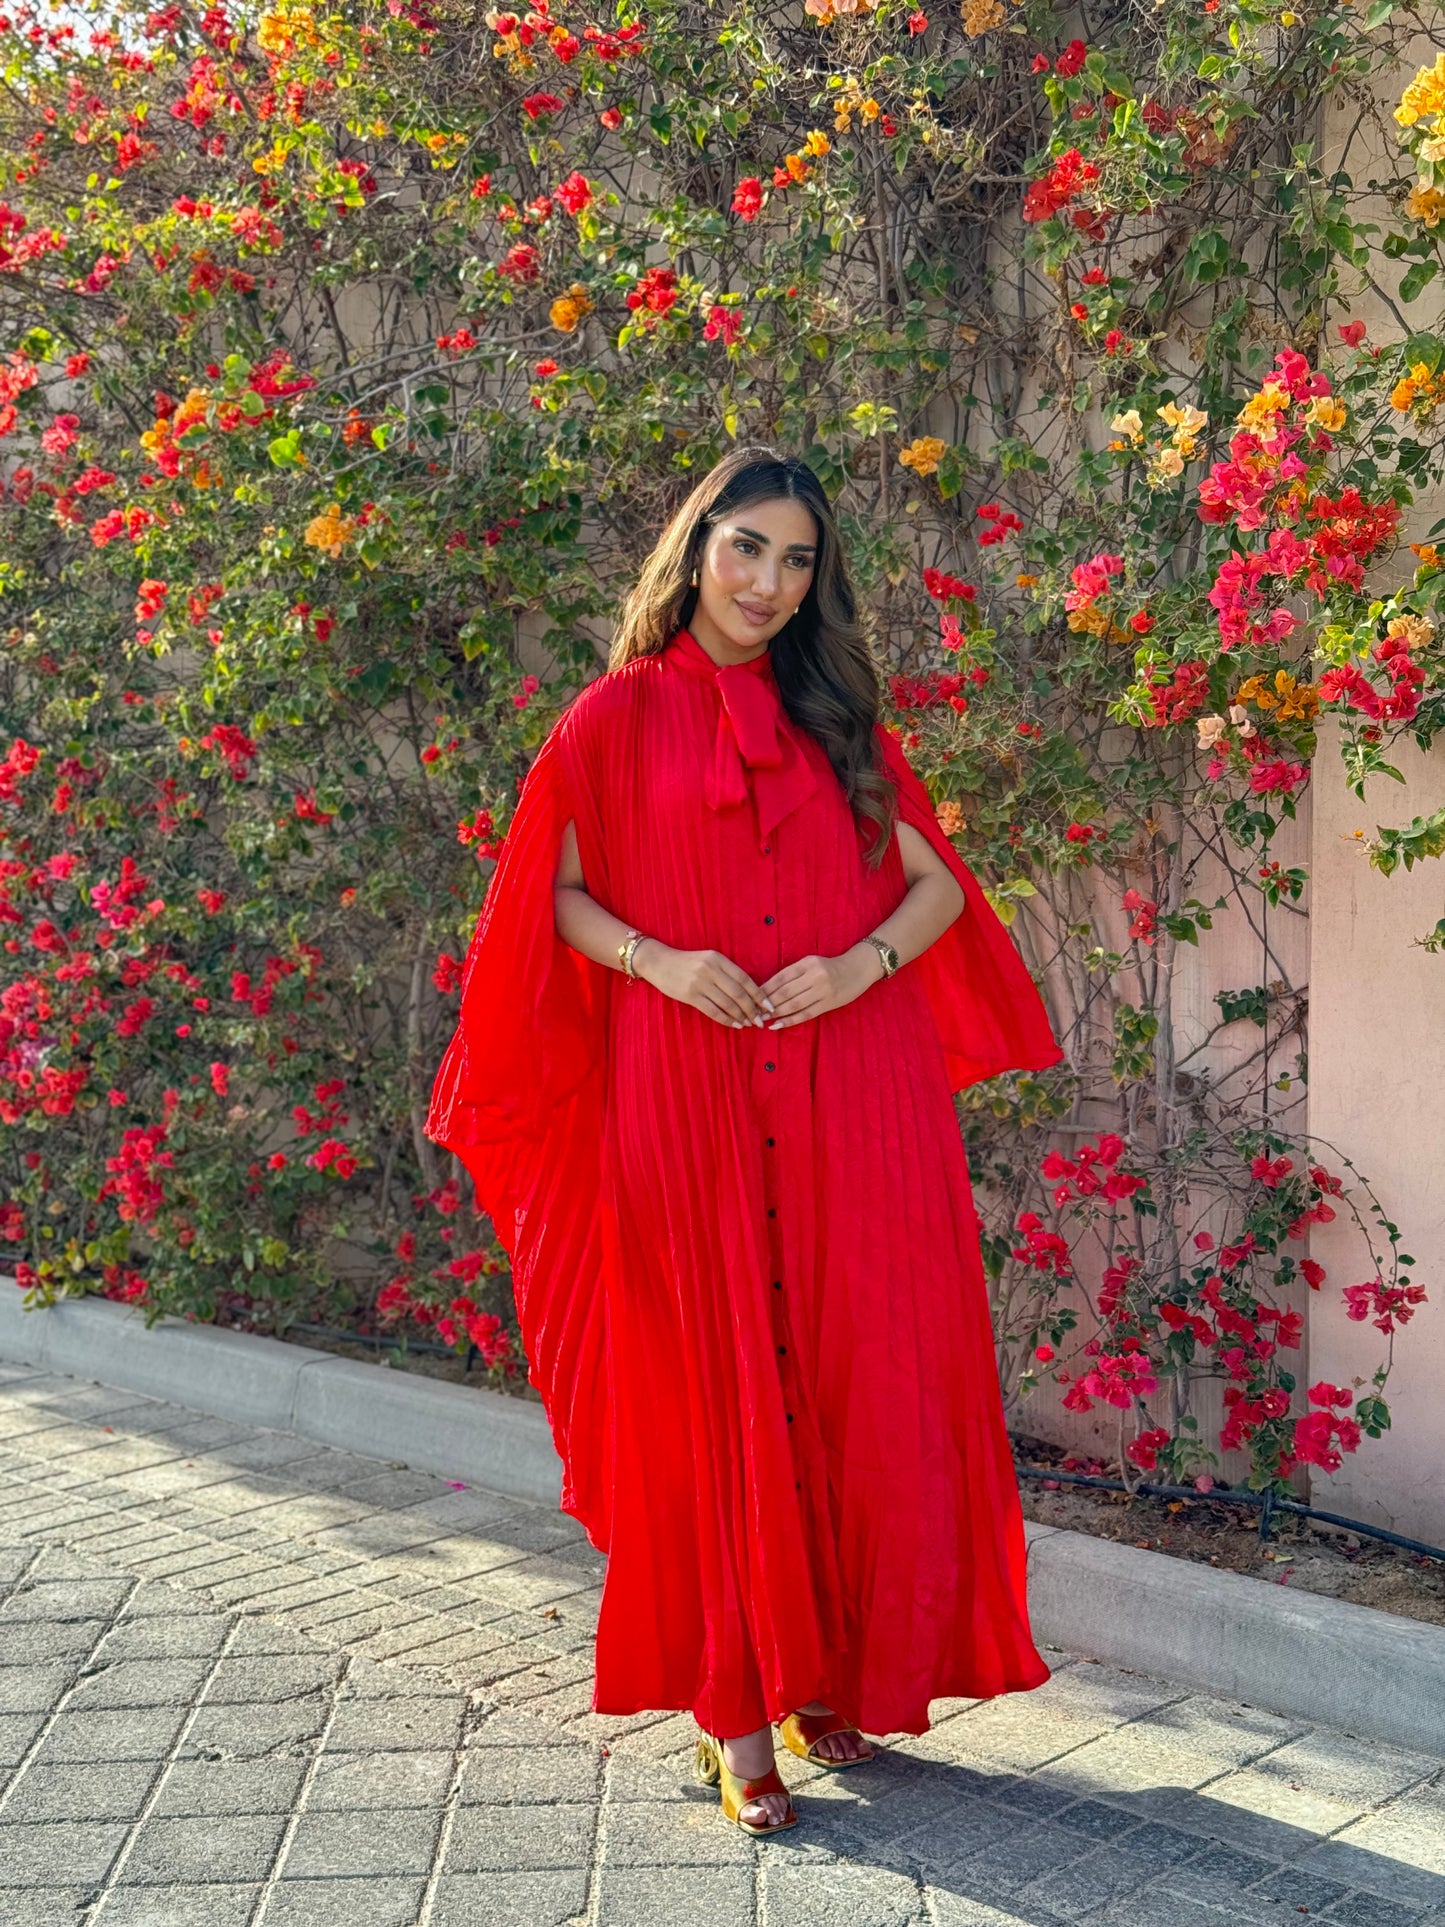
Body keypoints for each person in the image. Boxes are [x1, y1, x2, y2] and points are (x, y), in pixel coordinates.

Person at [426, 446, 1064, 1834]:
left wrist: (858, 967)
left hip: (847, 1090)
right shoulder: (609, 718)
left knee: (848, 1374)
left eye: (795, 561)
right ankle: (734, 1711)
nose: (770, 582)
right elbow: (558, 897)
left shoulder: (834, 717)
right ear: (694, 545)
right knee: (715, 1381)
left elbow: (937, 892)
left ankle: (817, 1672)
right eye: (747, 549)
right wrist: (656, 961)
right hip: (688, 1094)